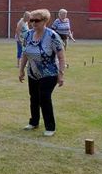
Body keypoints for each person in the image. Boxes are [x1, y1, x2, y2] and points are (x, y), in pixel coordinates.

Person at [19, 9, 66, 137]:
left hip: (49, 74)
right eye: (32, 20)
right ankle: (33, 122)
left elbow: (61, 57)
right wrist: (21, 70)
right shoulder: (28, 35)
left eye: (37, 20)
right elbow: (25, 54)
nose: (33, 23)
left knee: (44, 98)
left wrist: (61, 74)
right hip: (32, 73)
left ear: (45, 21)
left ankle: (50, 127)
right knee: (34, 98)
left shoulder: (52, 36)